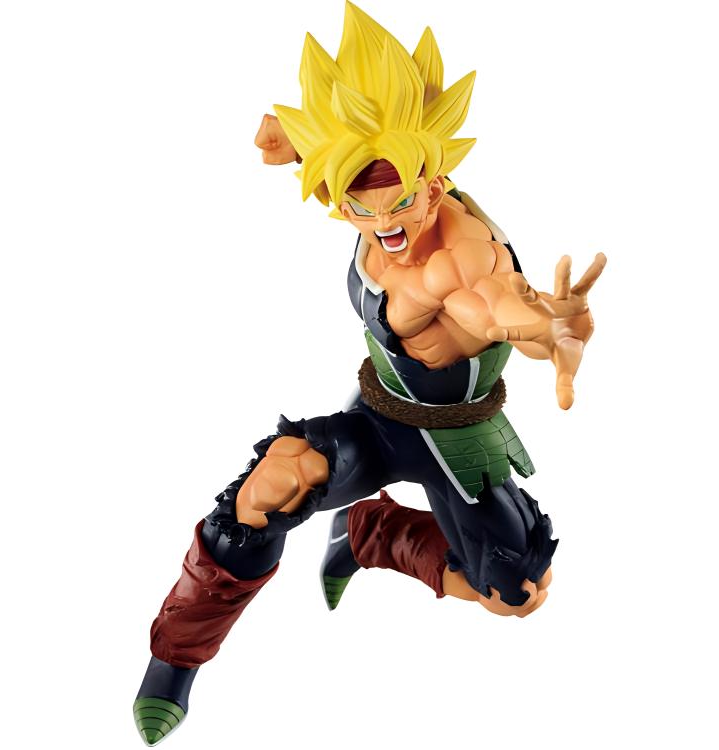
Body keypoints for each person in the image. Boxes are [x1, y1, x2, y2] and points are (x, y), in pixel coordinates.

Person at [133, 3, 606, 745]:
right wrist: (293, 137)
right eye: (359, 203)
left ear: (436, 180)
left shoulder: (462, 254)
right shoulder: (359, 179)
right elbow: (333, 143)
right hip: (377, 414)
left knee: (516, 590)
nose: (385, 223)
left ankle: (371, 534)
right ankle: (173, 663)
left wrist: (551, 330)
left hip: (458, 442)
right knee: (265, 491)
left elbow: (495, 307)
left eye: (404, 201)